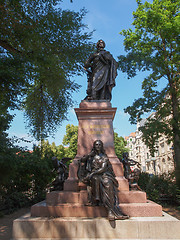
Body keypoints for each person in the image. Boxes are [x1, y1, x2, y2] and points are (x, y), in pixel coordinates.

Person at [77, 140, 129, 220]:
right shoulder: (91, 156)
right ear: (94, 146)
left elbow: (103, 168)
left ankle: (110, 211)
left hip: (104, 174)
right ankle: (97, 198)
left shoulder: (104, 156)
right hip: (95, 175)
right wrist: (89, 155)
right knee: (95, 179)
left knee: (107, 183)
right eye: (96, 145)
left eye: (99, 145)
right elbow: (82, 160)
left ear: (102, 146)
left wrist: (92, 174)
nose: (98, 146)